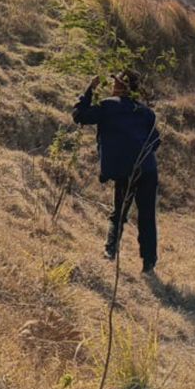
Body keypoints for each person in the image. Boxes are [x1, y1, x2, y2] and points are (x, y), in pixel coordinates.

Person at [72, 69, 160, 274]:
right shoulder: (146, 112)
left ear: (121, 87)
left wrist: (89, 90)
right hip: (147, 169)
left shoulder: (108, 106)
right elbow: (156, 140)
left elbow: (79, 116)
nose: (113, 86)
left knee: (119, 212)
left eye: (116, 83)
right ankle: (149, 263)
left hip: (125, 170)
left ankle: (110, 251)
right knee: (147, 216)